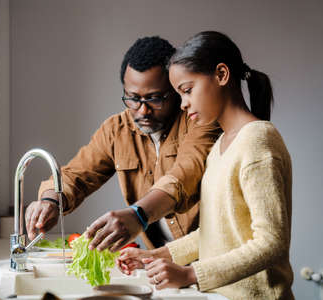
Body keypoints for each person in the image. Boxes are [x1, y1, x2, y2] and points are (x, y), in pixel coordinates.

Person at [117, 31, 294, 300]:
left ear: (222, 75)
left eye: (187, 90)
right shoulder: (221, 146)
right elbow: (216, 234)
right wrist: (154, 257)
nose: (184, 103)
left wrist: (191, 274)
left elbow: (271, 243)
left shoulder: (257, 141)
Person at [25, 36, 221, 251]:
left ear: (174, 89)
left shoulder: (200, 119)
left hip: (209, 260)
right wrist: (50, 201)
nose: (143, 110)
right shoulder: (116, 130)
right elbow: (75, 175)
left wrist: (138, 215)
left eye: (155, 98)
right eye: (133, 98)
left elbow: (184, 175)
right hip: (159, 261)